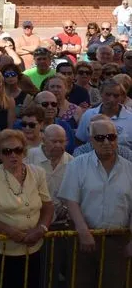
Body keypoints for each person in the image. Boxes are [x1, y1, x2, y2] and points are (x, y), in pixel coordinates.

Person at [0, 129, 54, 288]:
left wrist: (41, 228)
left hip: (33, 247)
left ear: (24, 152)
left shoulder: (38, 173)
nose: (13, 155)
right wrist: (9, 231)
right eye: (7, 151)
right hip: (0, 250)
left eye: (18, 150)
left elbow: (47, 205)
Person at [58, 118, 132, 288]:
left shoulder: (129, 168)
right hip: (83, 238)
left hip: (118, 241)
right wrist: (83, 232)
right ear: (91, 140)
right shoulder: (77, 165)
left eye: (111, 137)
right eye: (100, 138)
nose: (106, 142)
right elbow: (71, 200)